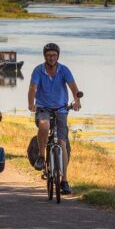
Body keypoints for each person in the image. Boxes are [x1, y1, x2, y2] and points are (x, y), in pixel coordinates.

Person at [28, 43, 81, 195]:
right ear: (45, 56)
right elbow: (32, 88)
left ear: (58, 56)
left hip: (61, 109)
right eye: (49, 55)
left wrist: (77, 101)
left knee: (62, 143)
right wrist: (31, 104)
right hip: (43, 108)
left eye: (54, 55)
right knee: (44, 126)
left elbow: (74, 88)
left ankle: (64, 180)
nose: (51, 58)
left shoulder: (64, 70)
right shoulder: (38, 70)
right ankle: (41, 156)